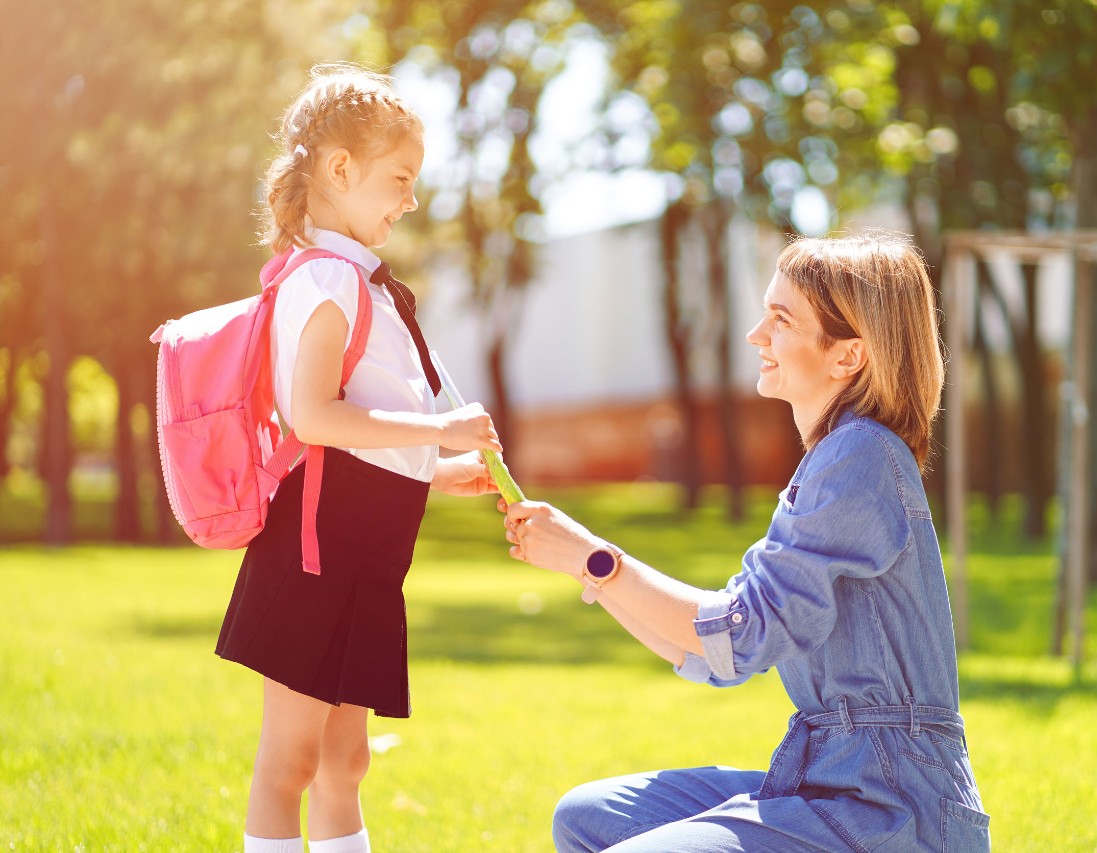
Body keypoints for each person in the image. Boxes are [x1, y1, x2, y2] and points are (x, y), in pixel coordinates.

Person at [502, 232, 991, 852]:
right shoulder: (835, 459)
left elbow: (737, 632)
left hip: (893, 807)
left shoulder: (860, 454)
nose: (757, 336)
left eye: (781, 320)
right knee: (588, 816)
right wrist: (584, 566)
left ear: (848, 356)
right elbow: (715, 656)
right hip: (827, 783)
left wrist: (594, 557)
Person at [214, 65, 503, 853]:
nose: (410, 199)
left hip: (364, 554)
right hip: (314, 555)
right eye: (400, 178)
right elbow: (314, 417)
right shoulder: (329, 279)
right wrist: (441, 434)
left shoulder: (361, 283)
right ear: (341, 171)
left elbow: (360, 439)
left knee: (346, 760)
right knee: (293, 760)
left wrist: (437, 470)